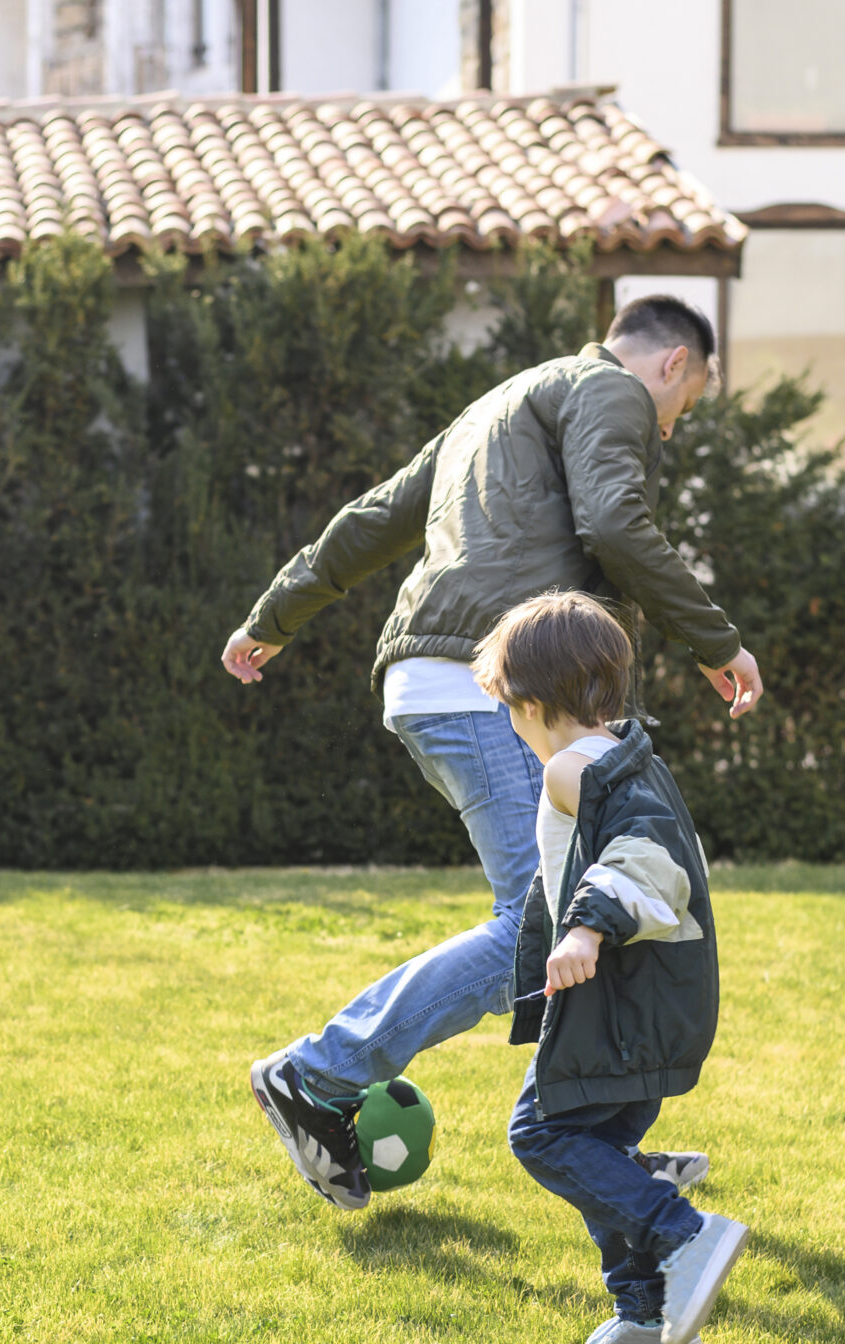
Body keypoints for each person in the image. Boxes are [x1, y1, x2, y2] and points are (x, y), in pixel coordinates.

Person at [222, 294, 763, 1211]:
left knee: (593, 914)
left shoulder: (496, 405)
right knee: (537, 922)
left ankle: (601, 1142)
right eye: (686, 409)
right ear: (674, 365)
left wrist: (274, 615)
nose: (668, 432)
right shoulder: (611, 389)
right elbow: (615, 523)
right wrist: (717, 641)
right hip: (499, 690)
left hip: (439, 679)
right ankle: (318, 1072)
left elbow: (371, 519)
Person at [477, 591, 747, 1344]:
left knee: (541, 1132)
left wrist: (589, 924)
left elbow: (650, 858)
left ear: (530, 704)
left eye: (508, 712)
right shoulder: (629, 753)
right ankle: (645, 1316)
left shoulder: (574, 767)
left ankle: (684, 1233)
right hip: (647, 1009)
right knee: (591, 1150)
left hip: (622, 1011)